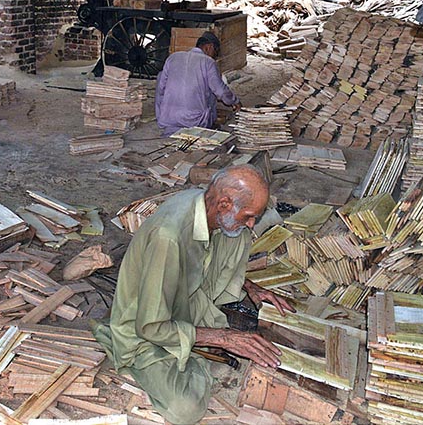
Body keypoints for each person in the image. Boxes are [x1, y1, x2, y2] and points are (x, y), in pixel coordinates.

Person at [92, 165, 295, 425]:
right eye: (248, 215)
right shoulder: (169, 237)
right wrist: (224, 338)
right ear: (223, 203)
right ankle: (125, 342)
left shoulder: (206, 205)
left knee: (237, 235)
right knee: (185, 409)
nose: (252, 223)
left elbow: (207, 260)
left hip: (187, 297)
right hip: (144, 326)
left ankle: (196, 340)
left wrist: (250, 286)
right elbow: (150, 326)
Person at [155, 31, 241, 137]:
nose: (214, 56)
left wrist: (161, 114)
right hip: (194, 120)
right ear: (209, 47)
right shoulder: (208, 62)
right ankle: (205, 125)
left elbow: (160, 88)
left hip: (168, 118)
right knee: (211, 94)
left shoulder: (173, 57)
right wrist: (235, 101)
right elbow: (221, 91)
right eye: (215, 52)